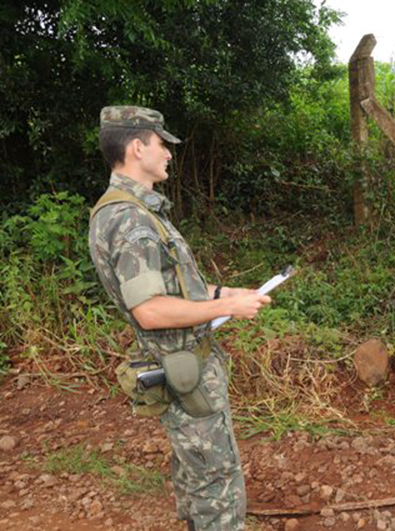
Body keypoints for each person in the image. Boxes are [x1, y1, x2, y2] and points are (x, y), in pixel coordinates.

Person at [88, 106, 271, 530]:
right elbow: (149, 310)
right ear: (137, 147)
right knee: (215, 475)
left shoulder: (135, 211)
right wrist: (226, 308)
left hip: (182, 364)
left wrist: (229, 293)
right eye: (161, 144)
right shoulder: (131, 219)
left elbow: (175, 290)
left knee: (195, 466)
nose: (169, 154)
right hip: (182, 366)